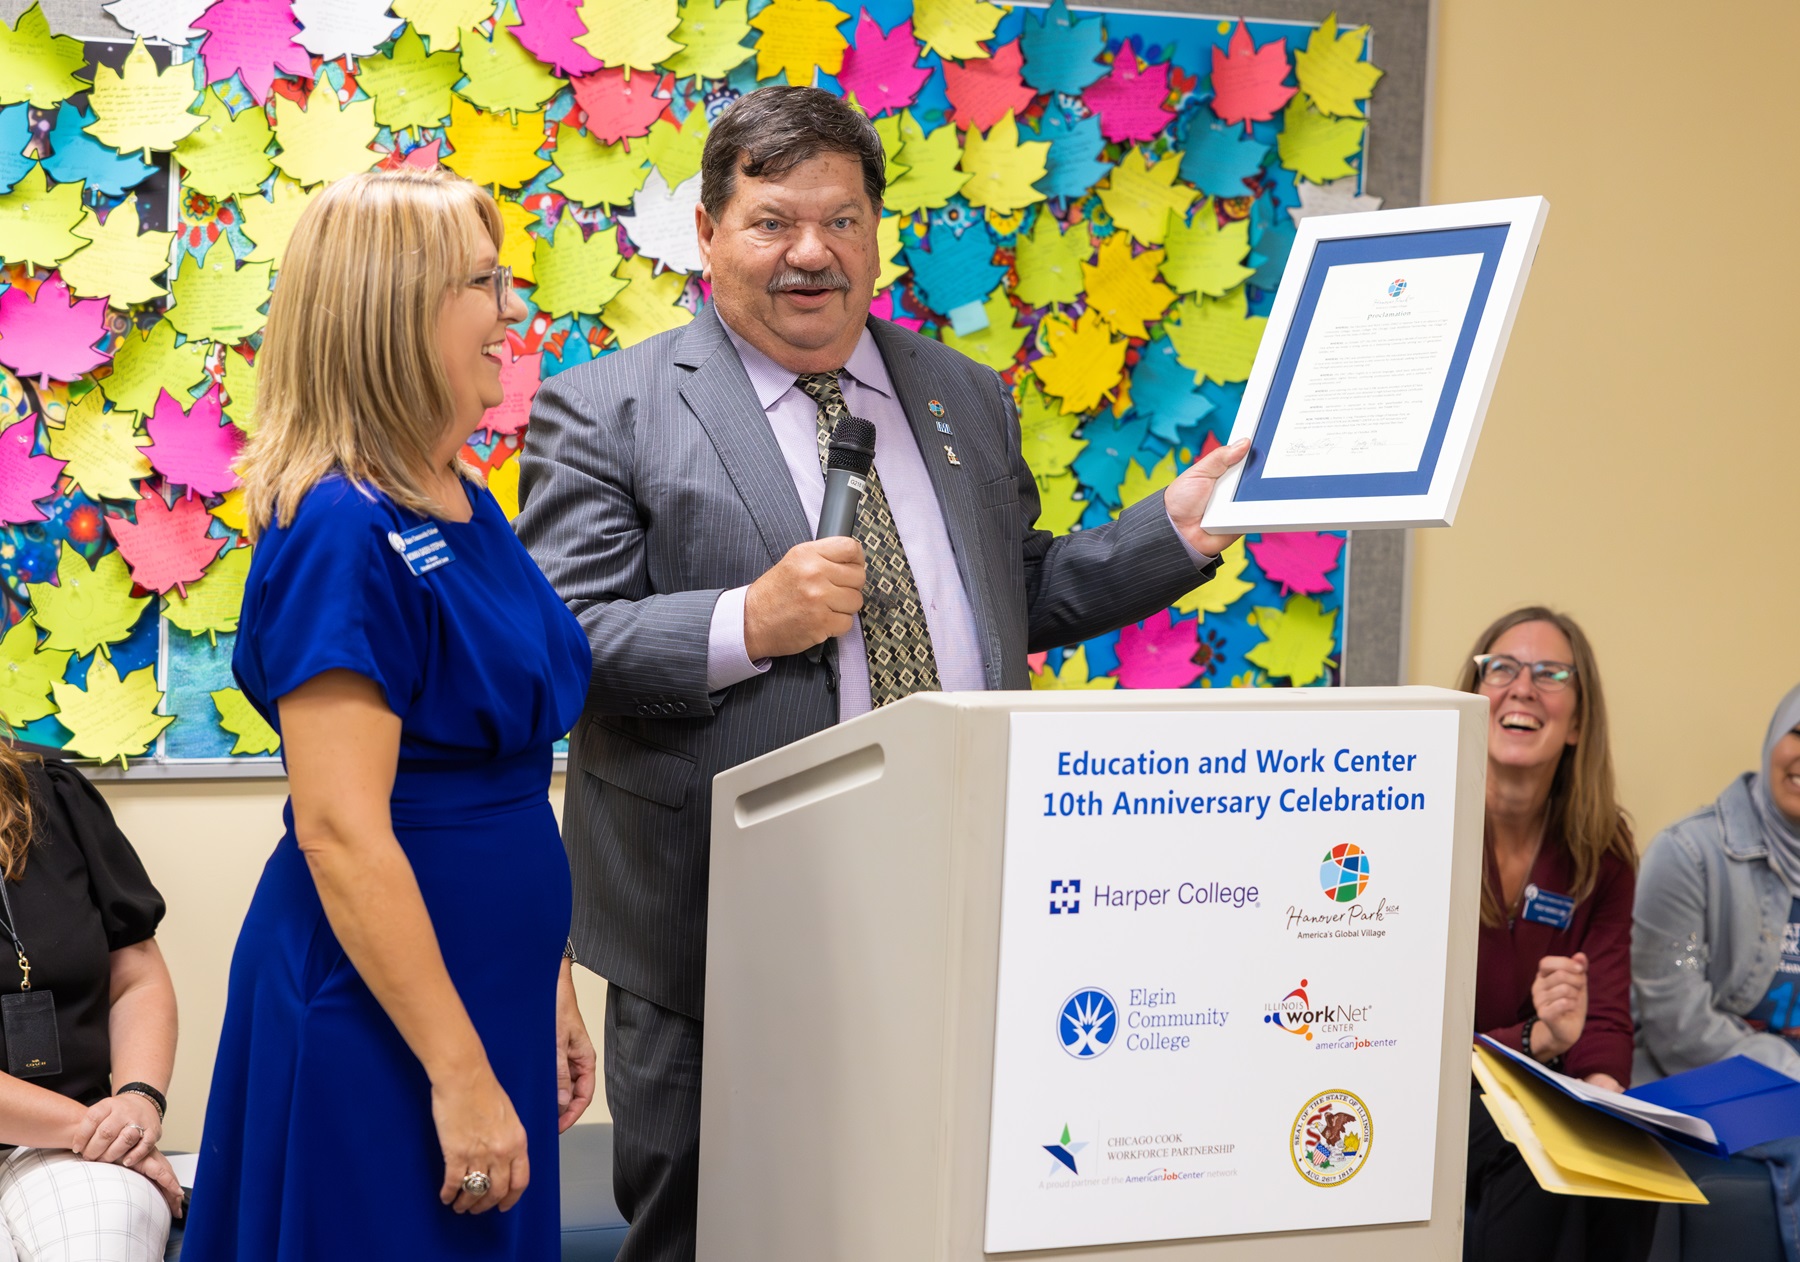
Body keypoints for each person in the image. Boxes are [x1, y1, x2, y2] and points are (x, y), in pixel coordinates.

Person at [515, 85, 1250, 1262]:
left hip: (956, 904)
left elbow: (1027, 590)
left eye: (843, 221)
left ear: (876, 232)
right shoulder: (607, 408)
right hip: (715, 929)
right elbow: (562, 642)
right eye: (773, 222)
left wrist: (1174, 528)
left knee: (936, 1218)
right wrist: (749, 619)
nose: (813, 254)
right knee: (710, 1230)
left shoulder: (963, 392)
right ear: (708, 233)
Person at [181, 169, 595, 1261]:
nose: (513, 312)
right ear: (396, 309)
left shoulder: (465, 499)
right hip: (384, 1016)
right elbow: (341, 829)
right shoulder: (340, 528)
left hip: (485, 991)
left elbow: (506, 773)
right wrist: (458, 1073)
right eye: (484, 282)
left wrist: (547, 977)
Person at [1458, 606, 1654, 1262]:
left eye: (1550, 674)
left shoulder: (1601, 847)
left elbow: (1603, 1017)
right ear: (1471, 698)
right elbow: (1399, 1029)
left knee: (1622, 1162)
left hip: (1531, 1085)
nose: (1522, 687)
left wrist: (1608, 1103)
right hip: (1425, 1093)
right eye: (1502, 669)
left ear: (1577, 723)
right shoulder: (1416, 825)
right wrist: (1536, 1040)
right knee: (1533, 1151)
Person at [1633, 683, 1800, 1261]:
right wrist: (1791, 1072)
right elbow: (1675, 1021)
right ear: (1774, 738)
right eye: (1798, 733)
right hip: (1688, 1078)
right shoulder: (1688, 853)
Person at [0, 739, 180, 1261]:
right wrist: (108, 1132)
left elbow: (136, 977)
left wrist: (138, 1098)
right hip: (86, 1130)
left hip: (70, 1146)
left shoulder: (51, 788)